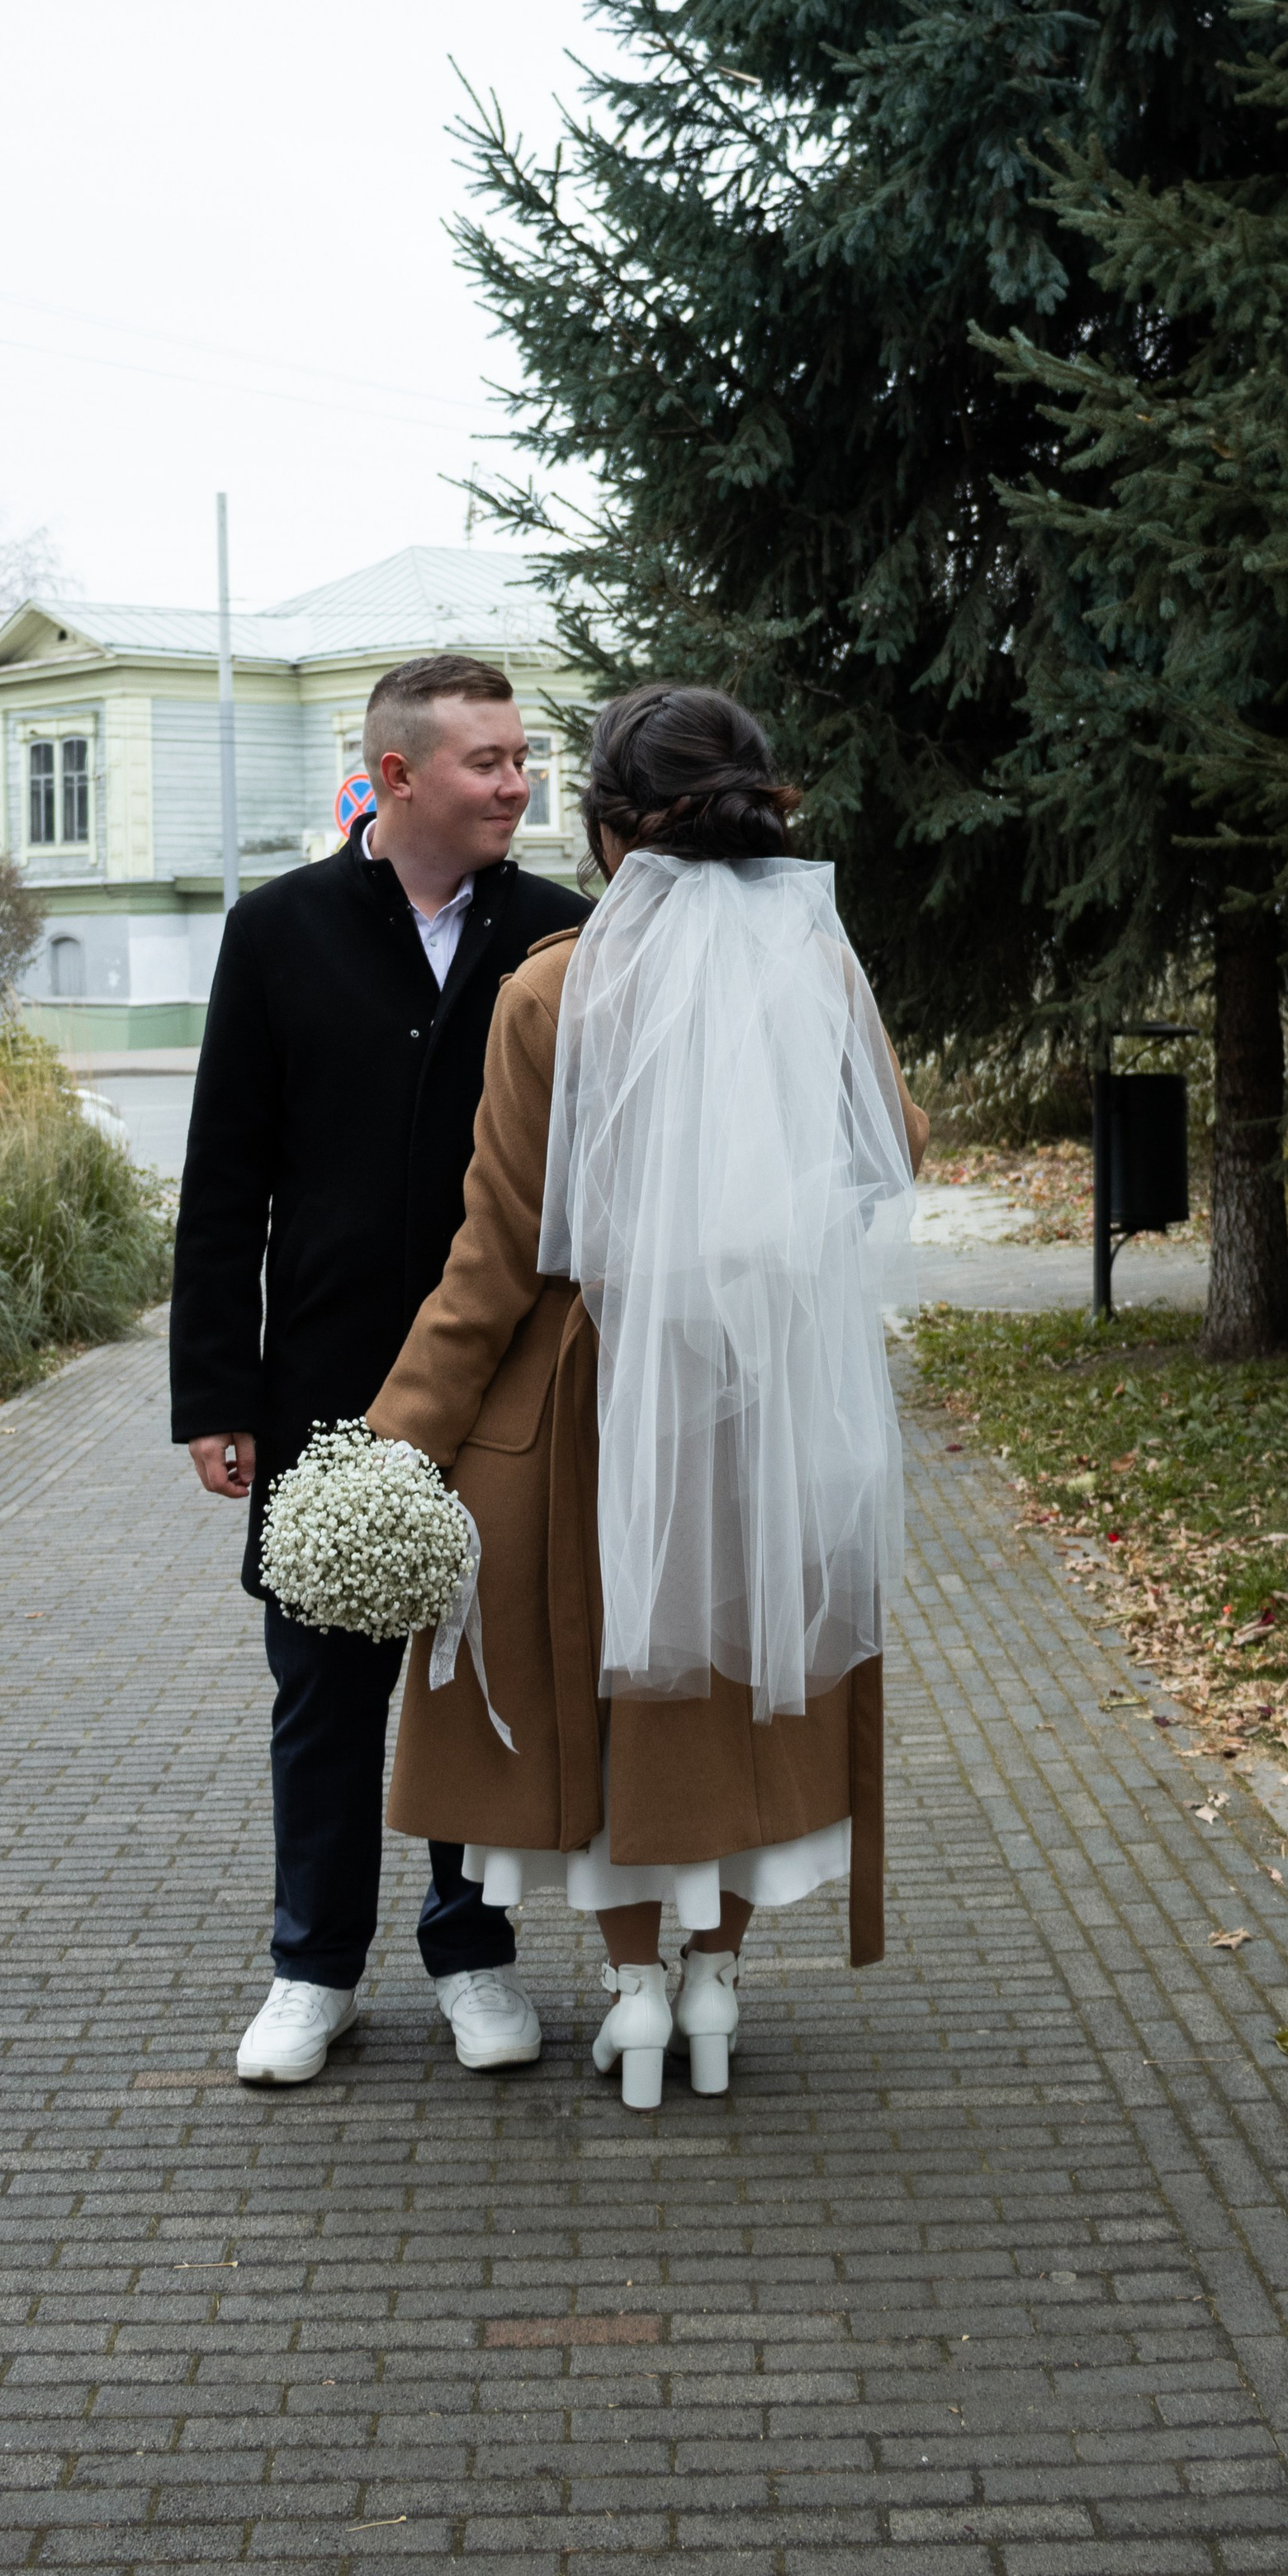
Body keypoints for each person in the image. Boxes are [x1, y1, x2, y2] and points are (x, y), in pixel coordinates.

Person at [368, 683, 930, 2108]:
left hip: (594, 1409)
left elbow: (493, 1254)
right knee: (735, 1687)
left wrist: (393, 1442)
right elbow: (896, 1146)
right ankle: (717, 1981)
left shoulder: (554, 988)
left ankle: (632, 1993)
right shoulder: (816, 965)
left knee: (610, 1693)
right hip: (757, 1398)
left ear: (614, 830)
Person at [170, 652, 589, 2085]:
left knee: (482, 1673)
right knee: (324, 1688)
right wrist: (216, 1390)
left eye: (523, 757)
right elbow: (224, 1179)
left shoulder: (561, 932)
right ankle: (314, 1969)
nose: (518, 783)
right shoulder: (277, 930)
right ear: (400, 774)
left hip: (510, 1380)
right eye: (490, 760)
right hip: (326, 1381)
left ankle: (473, 1953)